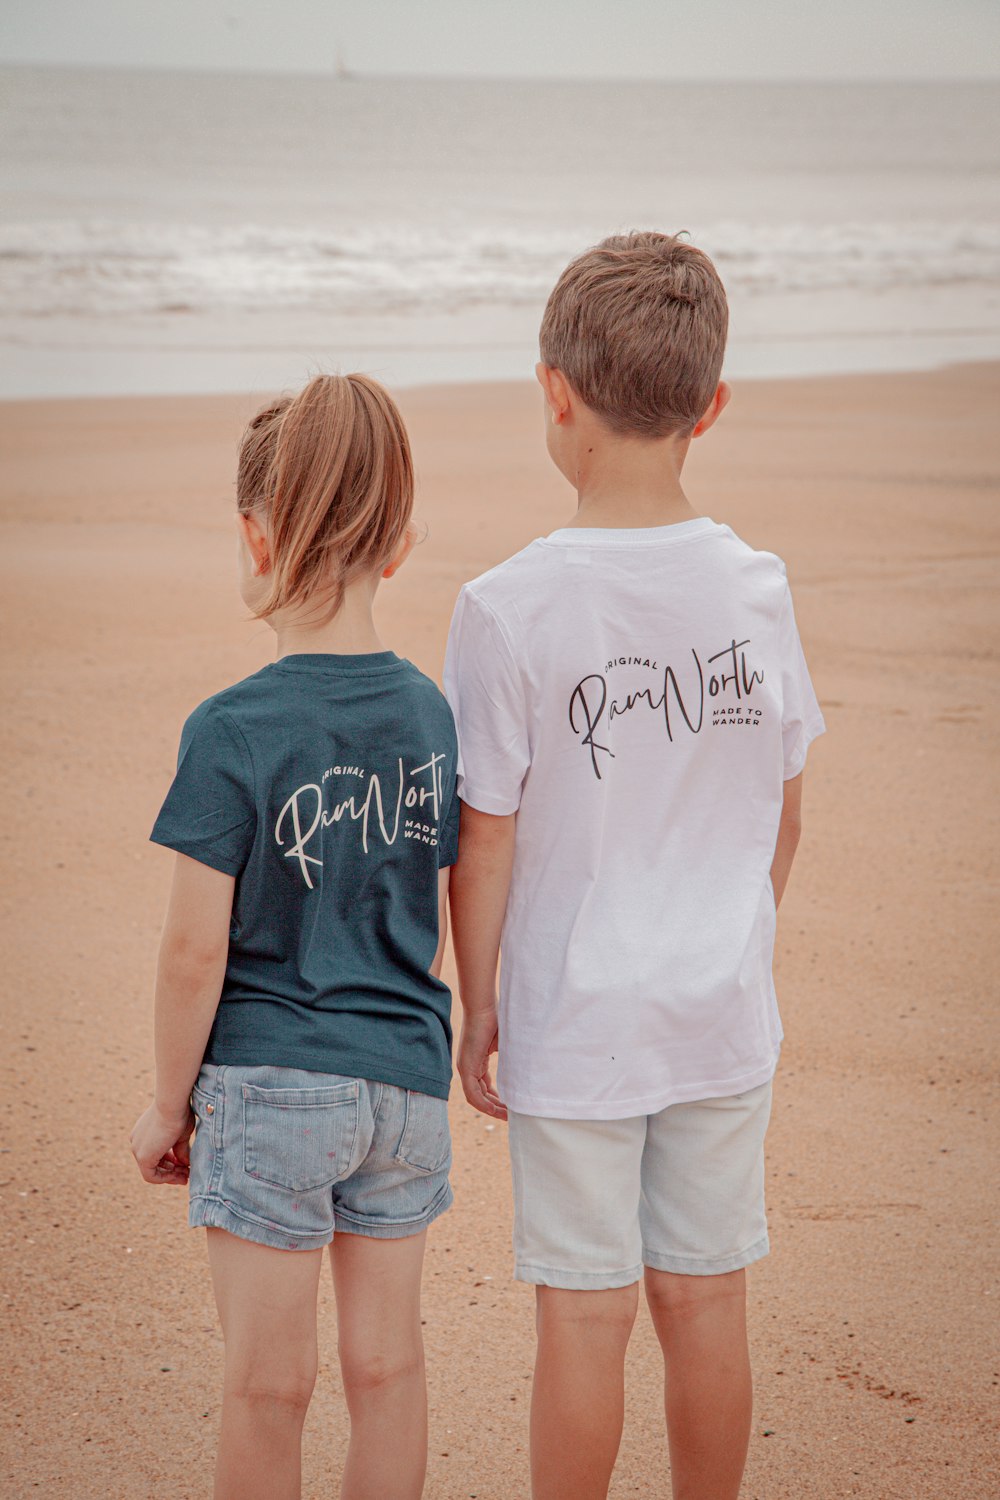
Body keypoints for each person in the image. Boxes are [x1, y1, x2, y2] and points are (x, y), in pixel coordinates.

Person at [444, 232, 825, 1500]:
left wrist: (481, 999)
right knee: (707, 1297)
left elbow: (485, 831)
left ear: (554, 392)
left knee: (586, 1312)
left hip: (576, 1009)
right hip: (719, 1001)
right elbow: (783, 804)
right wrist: (733, 928)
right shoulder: (755, 588)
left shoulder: (505, 606)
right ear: (709, 408)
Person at [129, 374, 459, 1500]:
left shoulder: (232, 728)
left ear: (255, 537)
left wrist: (167, 1105)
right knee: (388, 1368)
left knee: (268, 1388)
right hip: (405, 1092)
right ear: (400, 544)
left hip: (270, 1091)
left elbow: (191, 954)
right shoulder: (429, 718)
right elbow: (434, 892)